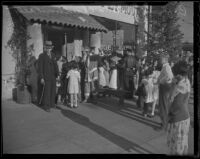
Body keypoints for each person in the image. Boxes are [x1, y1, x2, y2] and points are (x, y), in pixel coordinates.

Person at [167, 60, 191, 155]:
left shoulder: (180, 85)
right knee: (182, 144)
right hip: (184, 116)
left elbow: (172, 100)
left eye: (174, 74)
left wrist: (173, 84)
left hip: (178, 118)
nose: (173, 76)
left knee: (177, 146)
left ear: (178, 74)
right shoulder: (186, 80)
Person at [37, 41, 59, 112]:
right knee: (47, 92)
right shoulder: (41, 56)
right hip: (46, 77)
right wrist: (41, 77)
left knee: (53, 91)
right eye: (47, 48)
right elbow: (40, 68)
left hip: (53, 76)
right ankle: (46, 106)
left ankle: (52, 104)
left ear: (51, 48)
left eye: (50, 48)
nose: (49, 49)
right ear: (45, 48)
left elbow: (56, 65)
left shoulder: (53, 55)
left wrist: (57, 74)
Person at [157, 53, 174, 129]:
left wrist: (162, 81)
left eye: (161, 58)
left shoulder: (166, 67)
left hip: (165, 87)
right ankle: (164, 122)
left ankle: (164, 124)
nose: (160, 60)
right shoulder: (165, 66)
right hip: (164, 87)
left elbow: (170, 77)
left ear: (165, 59)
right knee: (163, 105)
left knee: (163, 105)